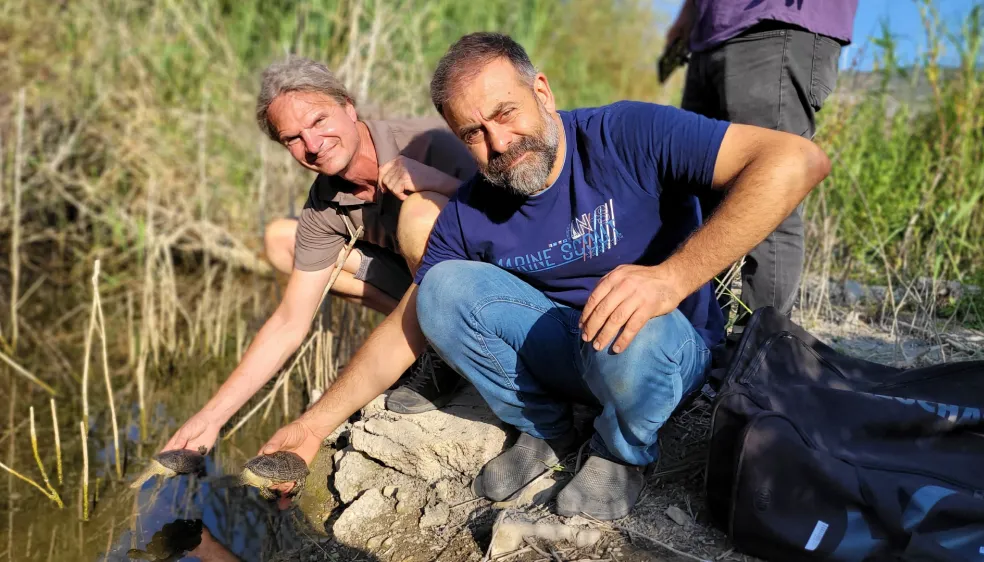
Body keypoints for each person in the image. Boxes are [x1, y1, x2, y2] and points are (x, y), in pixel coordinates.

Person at [256, 32, 830, 520]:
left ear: (542, 91)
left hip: (659, 349)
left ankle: (621, 450)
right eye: (473, 133)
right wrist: (311, 428)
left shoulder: (625, 133)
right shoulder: (473, 207)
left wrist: (671, 278)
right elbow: (406, 328)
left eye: (505, 113)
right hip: (568, 350)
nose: (499, 143)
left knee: (636, 327)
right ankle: (546, 427)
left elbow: (796, 160)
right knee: (440, 288)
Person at [161, 56, 479, 456]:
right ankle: (428, 347)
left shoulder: (431, 142)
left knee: (420, 212)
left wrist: (444, 184)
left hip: (485, 287)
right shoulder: (323, 205)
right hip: (421, 288)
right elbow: (289, 323)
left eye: (318, 121)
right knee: (285, 239)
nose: (312, 145)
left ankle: (447, 347)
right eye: (292, 138)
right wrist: (211, 417)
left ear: (348, 107)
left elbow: (521, 221)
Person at [666, 0, 858, 326]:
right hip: (709, 35)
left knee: (770, 191)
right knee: (696, 196)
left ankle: (761, 347)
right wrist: (689, 14)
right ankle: (701, 337)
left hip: (778, 23)